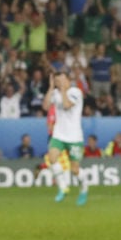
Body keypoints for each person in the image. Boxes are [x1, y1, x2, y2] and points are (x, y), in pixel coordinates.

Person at [42, 70, 89, 205]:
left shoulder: (76, 92)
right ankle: (62, 187)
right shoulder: (55, 92)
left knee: (74, 170)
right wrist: (51, 88)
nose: (59, 83)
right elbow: (45, 106)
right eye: (57, 81)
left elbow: (67, 105)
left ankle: (84, 188)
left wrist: (62, 90)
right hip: (59, 134)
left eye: (62, 80)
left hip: (74, 137)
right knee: (52, 158)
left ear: (68, 80)